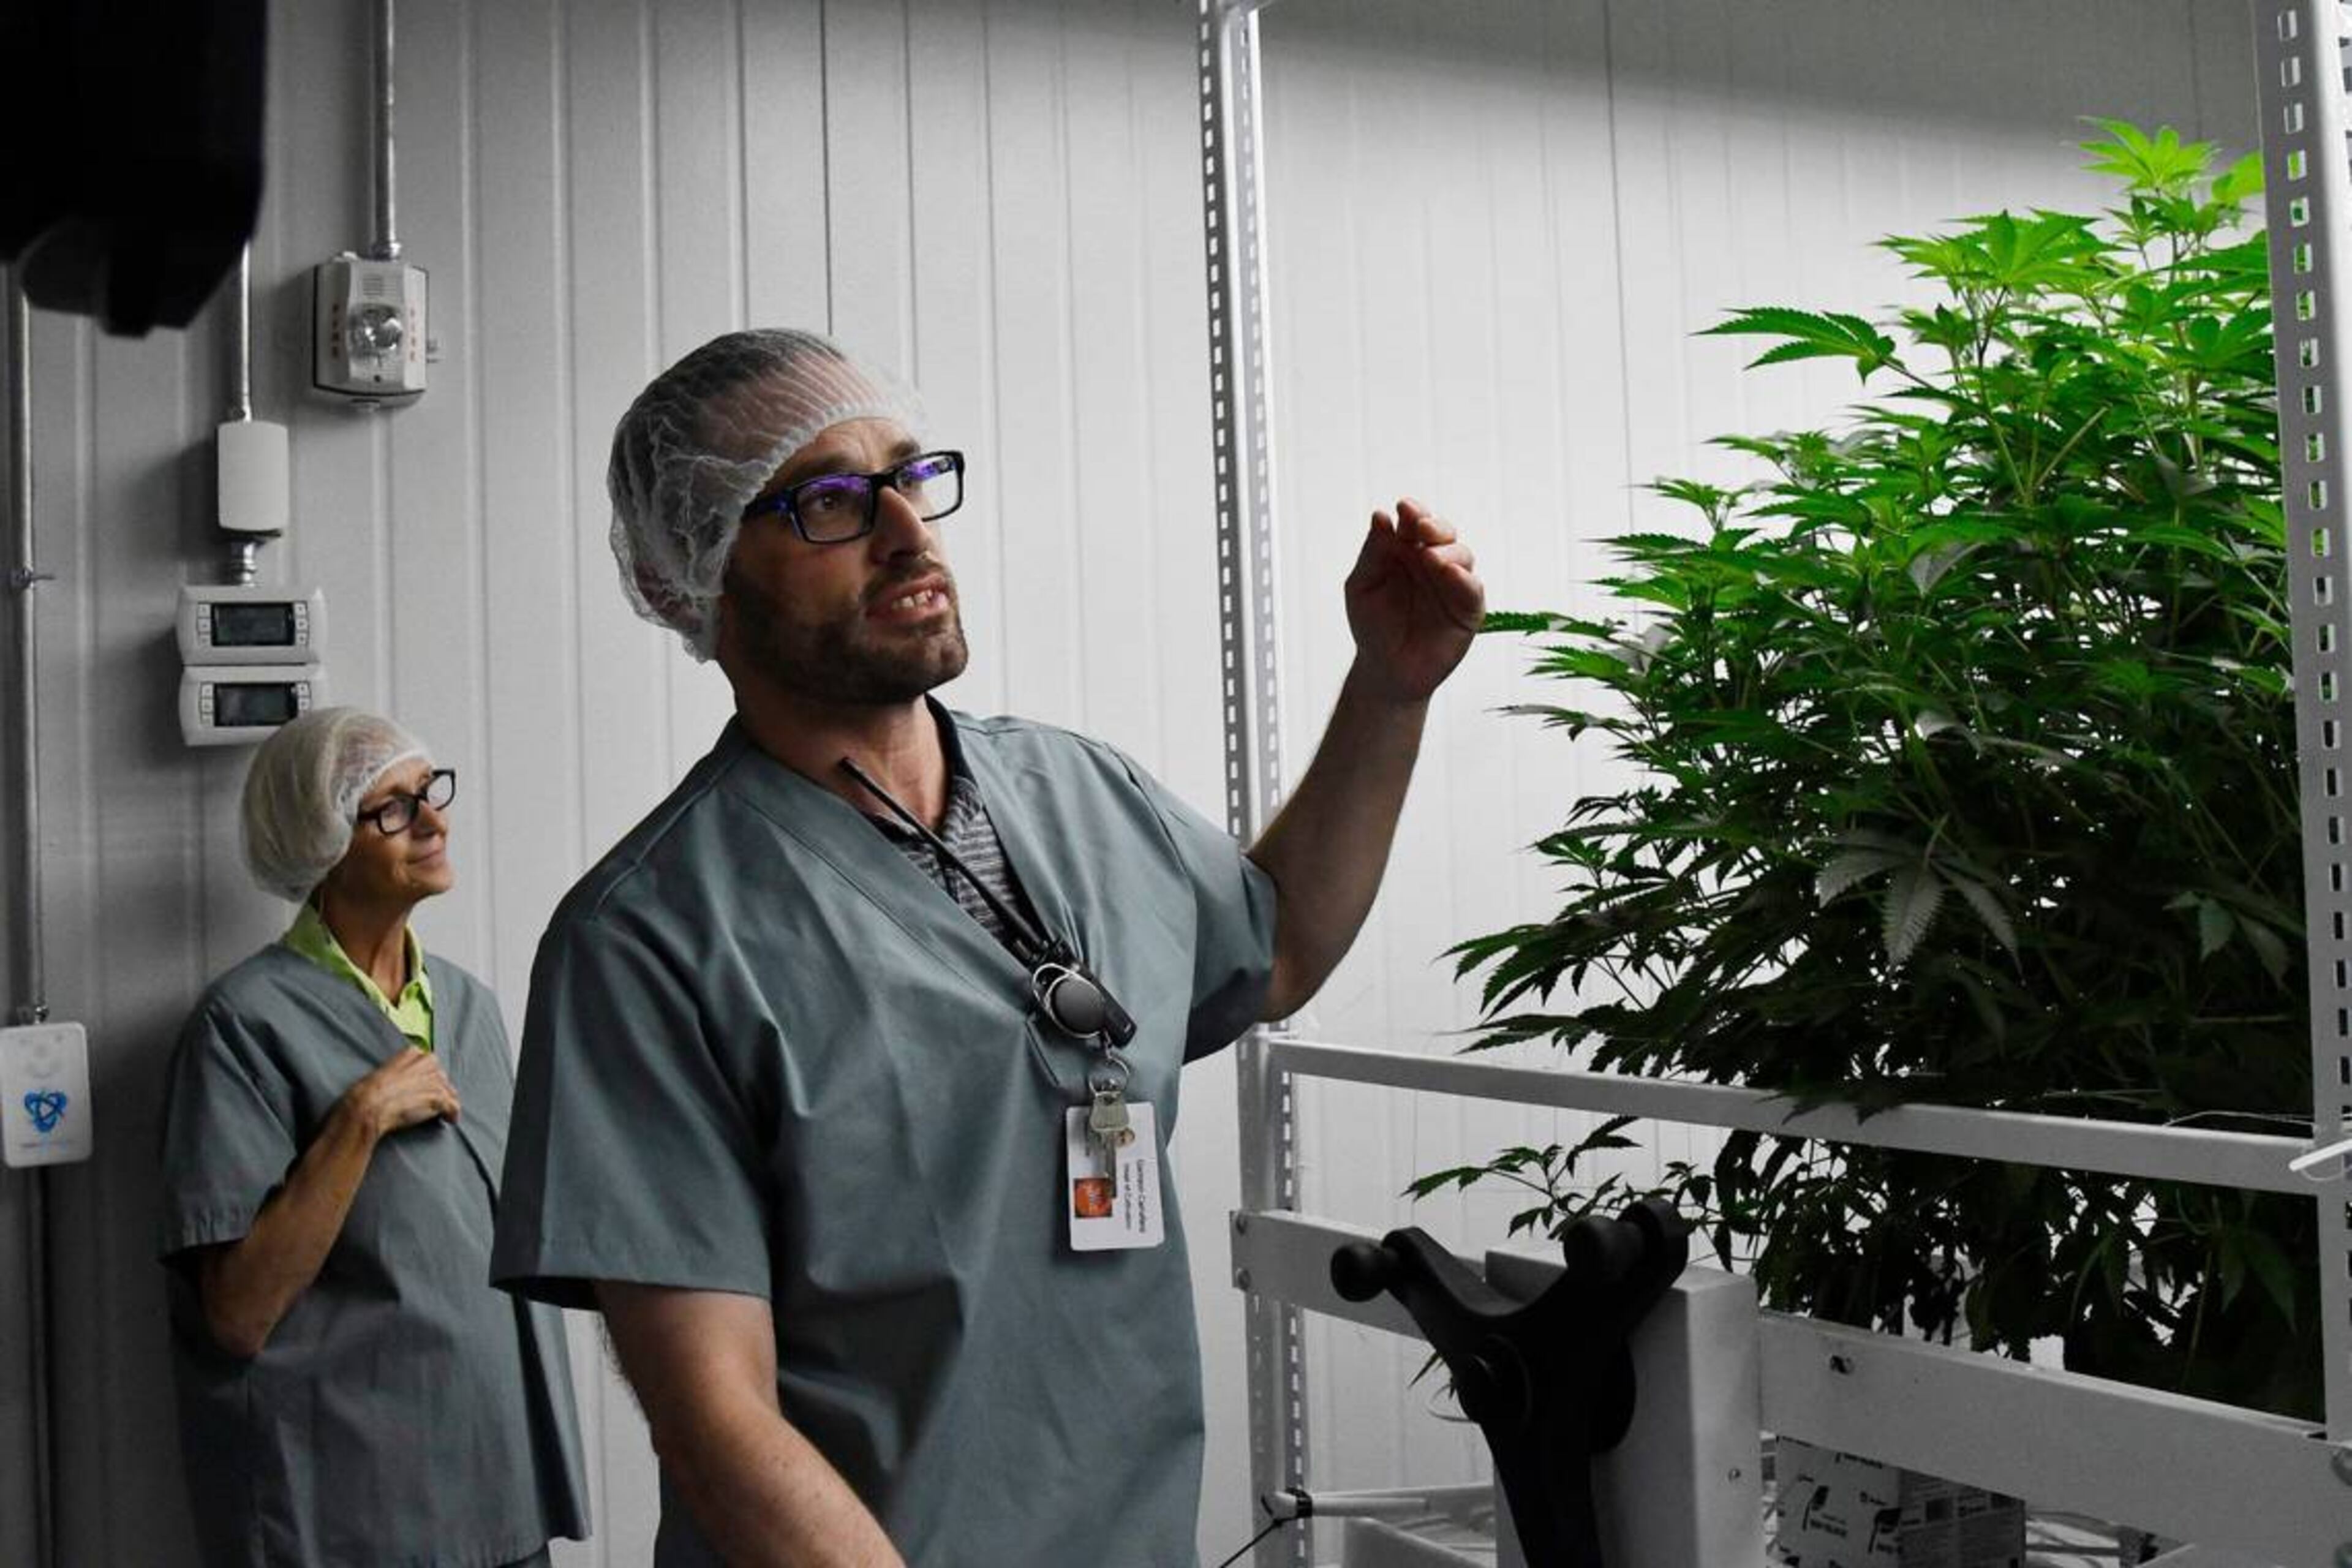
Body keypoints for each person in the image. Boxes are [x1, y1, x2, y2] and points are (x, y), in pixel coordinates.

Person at [490, 328, 1483, 1567]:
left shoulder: (1078, 789)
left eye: (913, 475)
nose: (909, 530)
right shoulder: (649, 937)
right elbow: (716, 1421)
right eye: (831, 502)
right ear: (698, 576)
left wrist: (1388, 692)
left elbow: (1270, 951)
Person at [157, 707, 590, 1567]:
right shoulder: (244, 1025)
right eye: (390, 808)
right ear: (319, 844)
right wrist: (358, 1122)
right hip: (347, 1511)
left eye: (430, 792)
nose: (433, 820)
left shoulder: (467, 1007)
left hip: (501, 1491)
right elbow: (238, 1316)